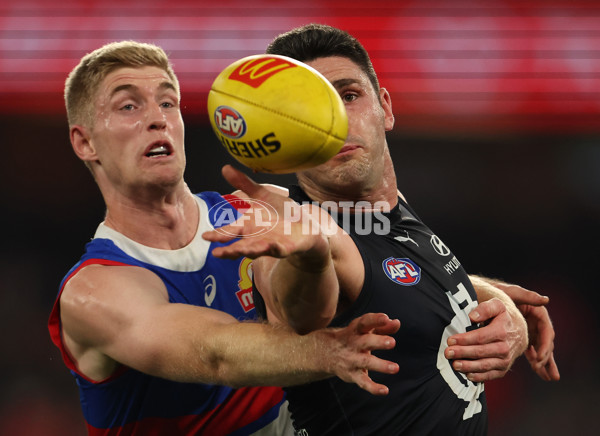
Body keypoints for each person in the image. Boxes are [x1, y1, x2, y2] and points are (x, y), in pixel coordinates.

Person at [203, 24, 559, 435]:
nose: (332, 123)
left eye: (348, 96)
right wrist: (310, 258)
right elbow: (298, 314)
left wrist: (495, 297)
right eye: (308, 112)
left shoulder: (386, 208)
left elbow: (393, 275)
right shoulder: (295, 223)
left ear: (385, 109)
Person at [47, 40, 404, 436]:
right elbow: (215, 354)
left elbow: (393, 261)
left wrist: (483, 307)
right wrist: (329, 351)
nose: (158, 119)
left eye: (168, 103)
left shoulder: (254, 212)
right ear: (85, 142)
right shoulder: (94, 290)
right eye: (129, 106)